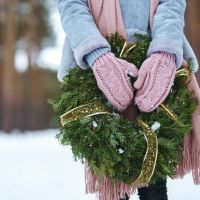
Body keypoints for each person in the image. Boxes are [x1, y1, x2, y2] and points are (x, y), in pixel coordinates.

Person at [56, 0, 199, 199]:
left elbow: (172, 3)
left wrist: (165, 53)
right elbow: (71, 5)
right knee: (113, 179)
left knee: (154, 181)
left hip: (154, 61)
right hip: (96, 67)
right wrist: (97, 56)